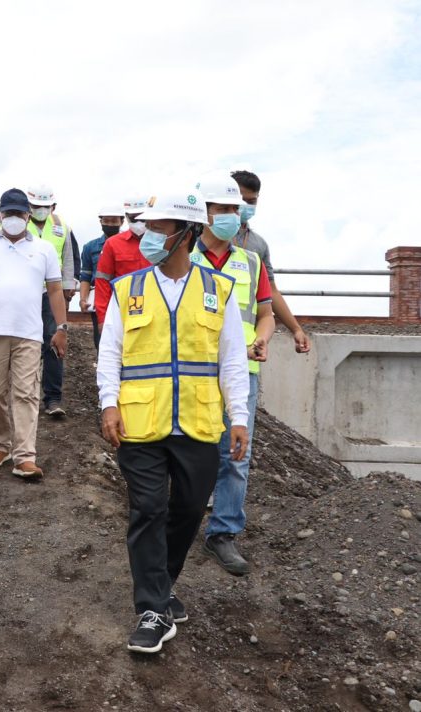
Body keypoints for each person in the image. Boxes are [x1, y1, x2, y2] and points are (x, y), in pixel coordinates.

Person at [97, 189, 250, 654]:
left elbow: (232, 359)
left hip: (199, 423)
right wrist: (108, 403)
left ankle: (162, 587)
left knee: (187, 510)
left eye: (160, 228)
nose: (148, 235)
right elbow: (110, 354)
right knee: (148, 510)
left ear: (184, 235)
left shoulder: (217, 290)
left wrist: (239, 416)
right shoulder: (129, 290)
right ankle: (152, 610)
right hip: (140, 423)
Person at [190, 173, 275, 575]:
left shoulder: (251, 260)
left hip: (243, 371)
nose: (228, 216)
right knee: (190, 447)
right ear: (202, 213)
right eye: (220, 209)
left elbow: (265, 314)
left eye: (232, 210)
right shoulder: (182, 258)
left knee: (236, 454)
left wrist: (263, 338)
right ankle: (182, 519)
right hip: (194, 369)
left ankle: (222, 532)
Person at [0, 188, 68, 479]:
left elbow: (55, 290)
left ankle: (24, 456)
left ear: (28, 216)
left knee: (26, 393)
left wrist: (62, 328)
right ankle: (0, 446)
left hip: (30, 333)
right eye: (9, 214)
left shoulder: (43, 249)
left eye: (20, 213)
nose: (14, 219)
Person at [231, 169, 311, 354]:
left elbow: (271, 292)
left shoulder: (258, 245)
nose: (246, 206)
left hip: (247, 348)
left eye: (252, 201)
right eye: (241, 200)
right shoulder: (202, 238)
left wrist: (296, 329)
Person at [25, 183, 79, 417]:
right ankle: (23, 396)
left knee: (54, 342)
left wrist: (68, 286)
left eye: (45, 206)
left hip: (51, 294)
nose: (40, 210)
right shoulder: (11, 222)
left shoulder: (62, 226)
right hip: (23, 293)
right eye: (36, 206)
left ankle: (53, 399)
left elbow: (69, 257)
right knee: (23, 343)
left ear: (53, 206)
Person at [94, 196, 152, 326]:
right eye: (133, 217)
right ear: (126, 217)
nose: (138, 222)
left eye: (142, 217)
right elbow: (102, 282)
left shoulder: (162, 242)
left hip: (155, 309)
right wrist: (103, 319)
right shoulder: (112, 244)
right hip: (122, 312)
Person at [79, 205, 126, 349]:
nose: (110, 225)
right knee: (102, 341)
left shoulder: (131, 245)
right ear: (101, 222)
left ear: (122, 221)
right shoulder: (90, 247)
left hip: (124, 298)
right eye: (107, 221)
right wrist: (83, 299)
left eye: (114, 221)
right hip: (100, 299)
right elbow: (85, 276)